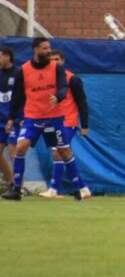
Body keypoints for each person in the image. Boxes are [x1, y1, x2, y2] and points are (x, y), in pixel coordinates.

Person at [2, 37, 90, 201]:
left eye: (49, 48)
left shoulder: (56, 68)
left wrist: (58, 97)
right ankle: (16, 189)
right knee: (20, 147)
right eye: (44, 48)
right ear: (35, 50)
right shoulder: (25, 70)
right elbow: (18, 96)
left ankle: (78, 188)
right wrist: (11, 118)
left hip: (54, 118)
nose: (48, 51)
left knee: (63, 151)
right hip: (32, 118)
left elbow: (63, 86)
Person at [38, 50, 89, 199]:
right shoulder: (45, 80)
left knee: (58, 151)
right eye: (51, 60)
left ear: (63, 61)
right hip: (50, 121)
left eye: (57, 59)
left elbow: (82, 102)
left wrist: (85, 125)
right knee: (61, 154)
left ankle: (54, 189)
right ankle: (83, 187)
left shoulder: (72, 79)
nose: (54, 62)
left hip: (67, 121)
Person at [0, 46, 20, 189]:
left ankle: (18, 185)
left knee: (15, 153)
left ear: (7, 56)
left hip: (14, 120)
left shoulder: (19, 73)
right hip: (0, 120)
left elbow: (23, 97)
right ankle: (11, 181)